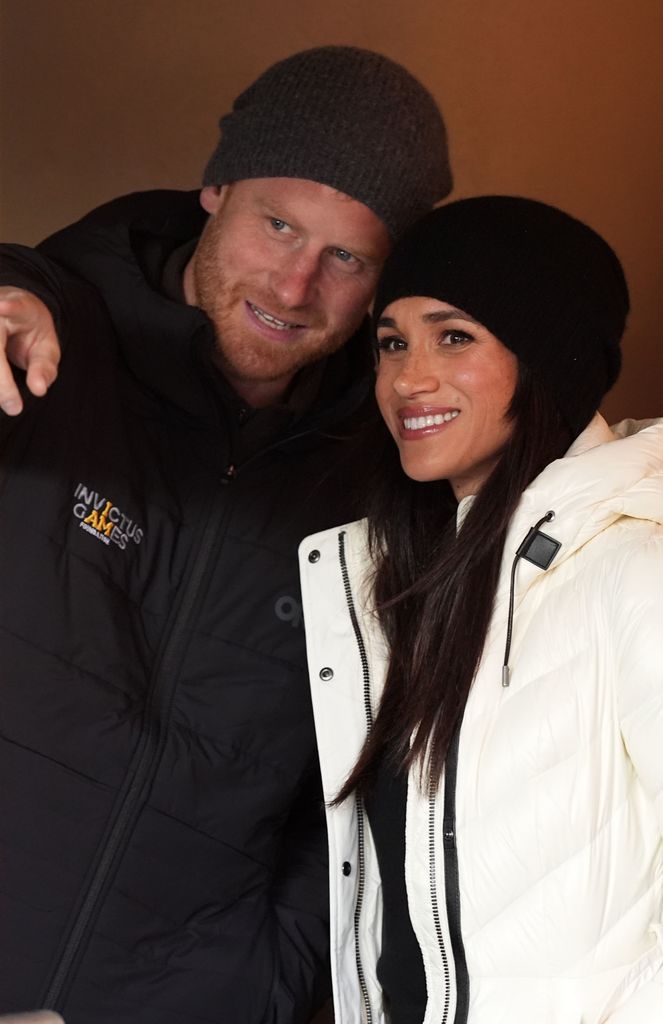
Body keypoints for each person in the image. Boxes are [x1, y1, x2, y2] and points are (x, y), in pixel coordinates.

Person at [0, 47, 452, 1023]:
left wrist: (260, 988)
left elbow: (364, 792)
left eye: (348, 256)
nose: (294, 287)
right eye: (278, 224)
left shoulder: (390, 480)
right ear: (217, 187)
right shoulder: (41, 354)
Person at [299, 196, 663, 1023]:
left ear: (551, 359)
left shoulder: (635, 561)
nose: (406, 378)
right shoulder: (397, 576)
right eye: (391, 342)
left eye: (453, 336)